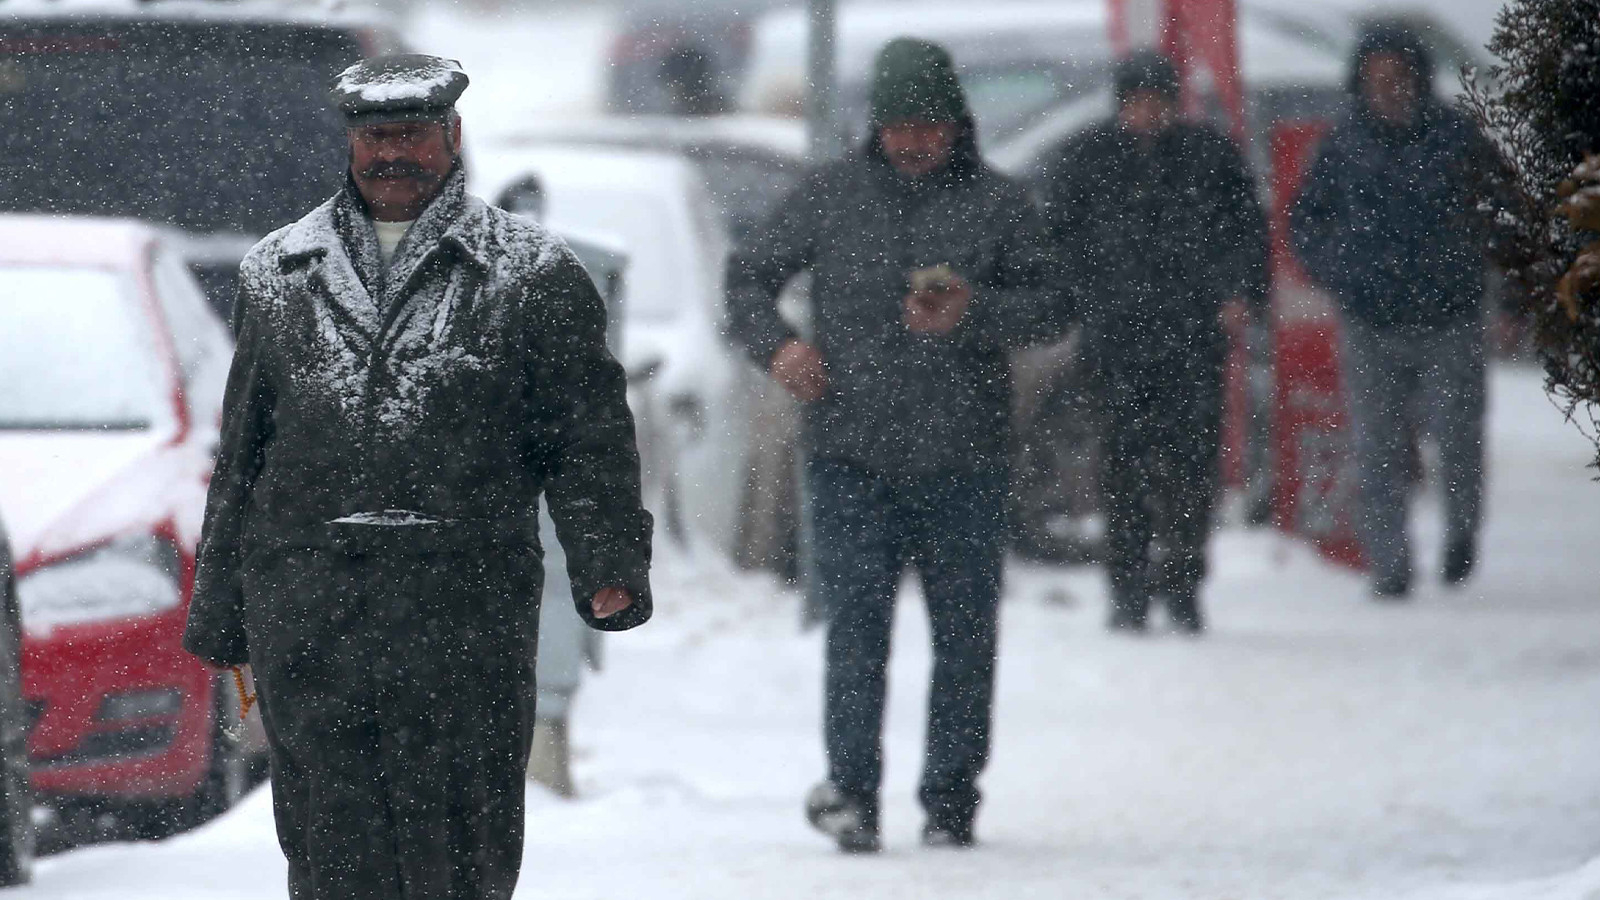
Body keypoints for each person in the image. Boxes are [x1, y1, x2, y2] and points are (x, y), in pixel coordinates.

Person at [181, 54, 653, 900]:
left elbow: (586, 438)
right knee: (329, 845)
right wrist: (222, 605)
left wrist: (608, 562)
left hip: (463, 610)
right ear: (350, 143)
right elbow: (244, 451)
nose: (391, 154)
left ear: (453, 136)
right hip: (315, 614)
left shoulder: (531, 276)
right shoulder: (278, 271)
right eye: (373, 137)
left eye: (410, 135)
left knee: (465, 842)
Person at [726, 37, 1062, 853]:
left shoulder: (998, 203)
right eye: (900, 125)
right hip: (852, 456)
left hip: (966, 460)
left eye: (931, 125)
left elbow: (1054, 303)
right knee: (855, 636)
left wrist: (973, 313)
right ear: (874, 126)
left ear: (957, 124)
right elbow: (746, 279)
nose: (915, 141)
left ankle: (950, 800)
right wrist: (781, 348)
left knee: (965, 640)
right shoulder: (830, 197)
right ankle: (851, 794)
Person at [1040, 50, 1270, 634]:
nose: (1146, 113)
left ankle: (1185, 581)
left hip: (1192, 342)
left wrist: (1240, 293)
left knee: (1192, 469)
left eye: (1157, 101)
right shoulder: (1087, 159)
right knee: (1122, 469)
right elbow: (1056, 242)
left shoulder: (1209, 157)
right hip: (1115, 344)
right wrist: (1079, 298)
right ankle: (1127, 587)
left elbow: (1247, 231)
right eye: (1136, 101)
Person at [1291, 25, 1497, 599]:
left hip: (1450, 317)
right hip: (1370, 321)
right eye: (1376, 78)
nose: (1388, 88)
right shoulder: (1342, 145)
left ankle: (1461, 536)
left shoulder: (1458, 139)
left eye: (1398, 76)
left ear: (1418, 79)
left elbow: (1501, 215)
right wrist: (1340, 273)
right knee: (1377, 446)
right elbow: (1306, 221)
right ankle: (1390, 563)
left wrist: (1474, 271)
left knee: (1457, 442)